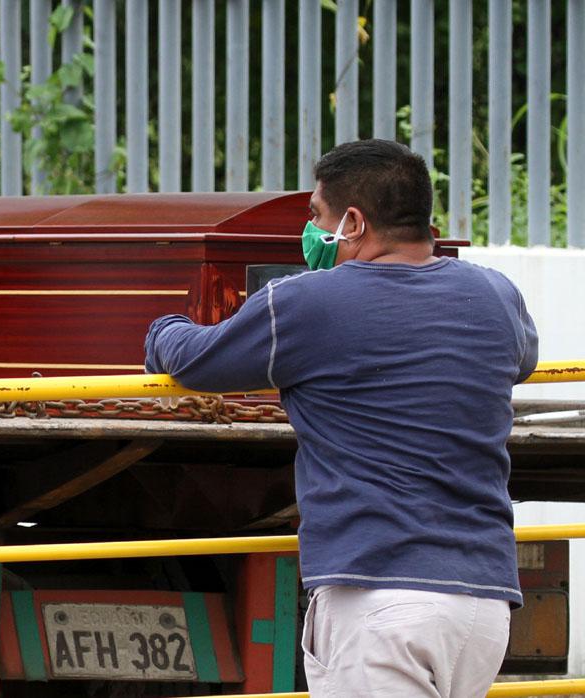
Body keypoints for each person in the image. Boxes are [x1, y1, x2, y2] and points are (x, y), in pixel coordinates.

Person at [144, 139, 537, 698]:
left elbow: (196, 359)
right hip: (482, 603)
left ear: (352, 222)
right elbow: (523, 359)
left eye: (315, 216)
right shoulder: (495, 294)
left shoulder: (307, 303)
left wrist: (160, 329)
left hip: (377, 599)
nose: (310, 232)